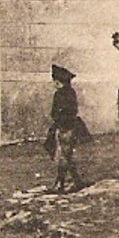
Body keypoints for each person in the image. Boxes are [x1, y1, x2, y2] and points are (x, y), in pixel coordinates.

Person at [46, 63, 90, 193]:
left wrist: (58, 122)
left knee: (64, 155)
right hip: (71, 126)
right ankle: (77, 181)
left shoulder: (60, 94)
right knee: (67, 155)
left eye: (54, 81)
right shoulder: (71, 92)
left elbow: (58, 112)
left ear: (58, 82)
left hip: (65, 127)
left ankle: (60, 183)